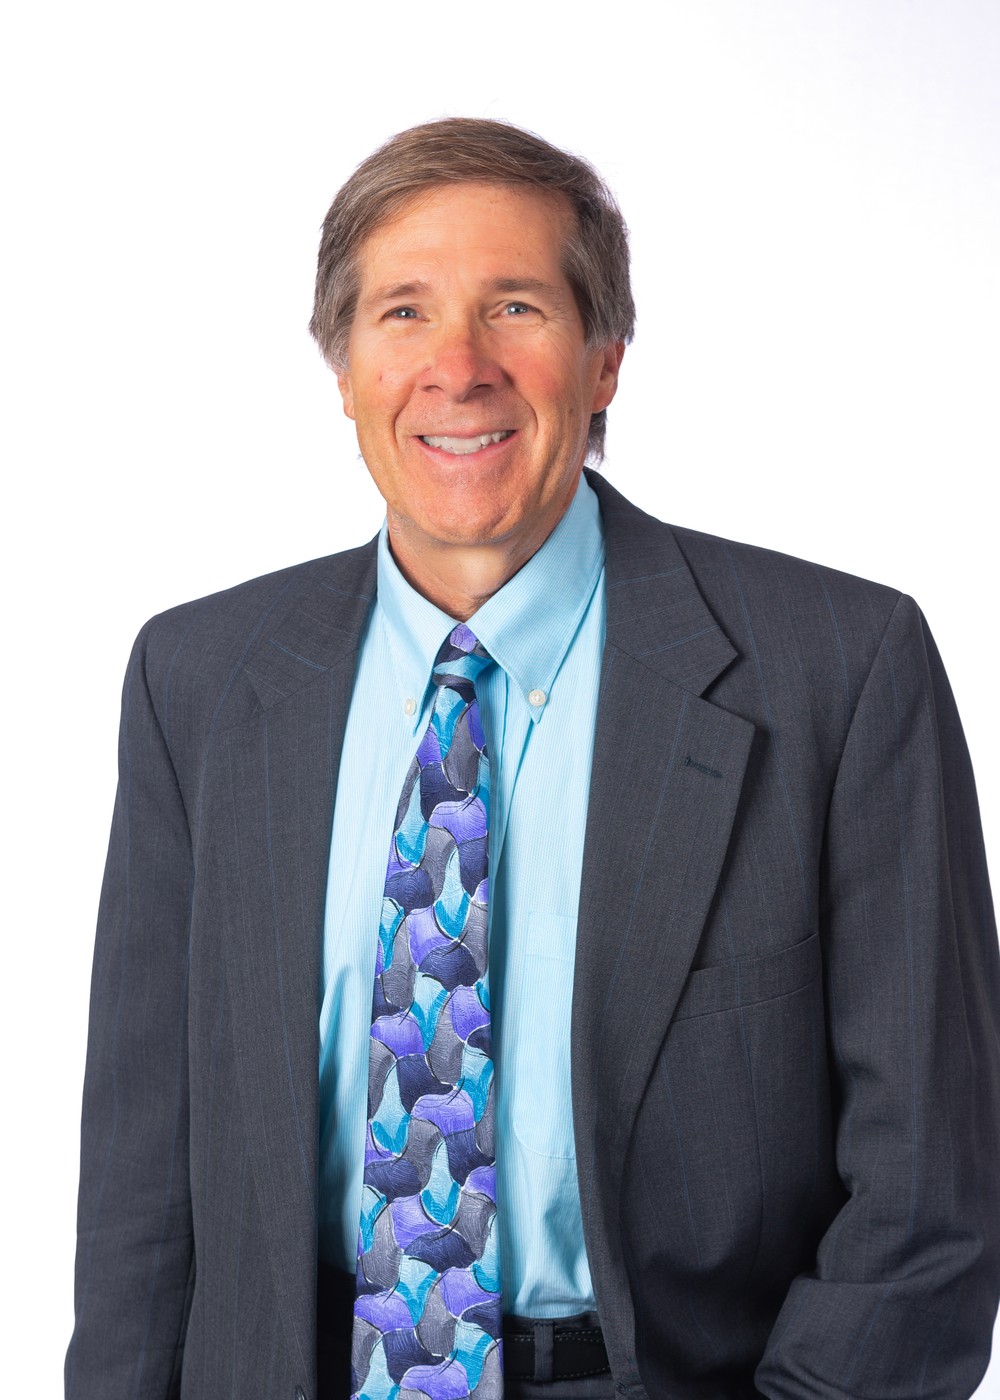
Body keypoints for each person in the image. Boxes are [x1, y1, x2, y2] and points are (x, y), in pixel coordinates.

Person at [67, 118, 1000, 1400]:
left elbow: (930, 1192)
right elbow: (139, 1194)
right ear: (343, 369)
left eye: (514, 306)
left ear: (605, 359)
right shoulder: (200, 681)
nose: (457, 369)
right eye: (402, 312)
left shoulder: (837, 672)